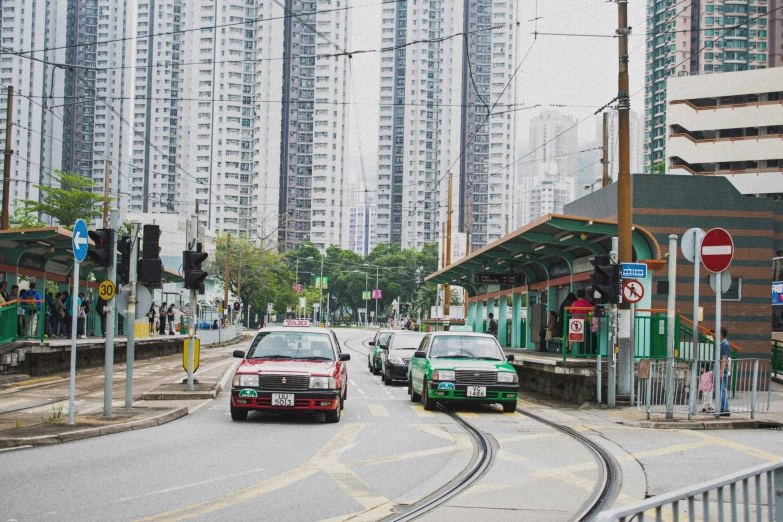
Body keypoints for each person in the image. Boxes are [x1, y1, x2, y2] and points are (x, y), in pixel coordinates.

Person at [718, 327, 731, 416]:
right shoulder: (721, 343)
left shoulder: (724, 344)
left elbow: (724, 358)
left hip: (721, 370)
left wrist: (721, 371)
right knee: (721, 389)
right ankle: (723, 408)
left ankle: (724, 409)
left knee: (722, 389)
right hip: (719, 369)